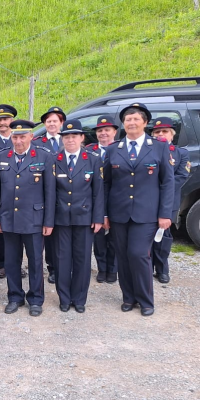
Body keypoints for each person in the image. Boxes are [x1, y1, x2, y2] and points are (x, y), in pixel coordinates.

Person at [104, 103, 174, 317]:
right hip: (119, 213)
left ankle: (145, 300)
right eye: (127, 119)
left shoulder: (159, 147)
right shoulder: (113, 149)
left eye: (136, 119)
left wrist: (165, 214)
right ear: (123, 124)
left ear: (144, 122)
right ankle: (128, 297)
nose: (131, 122)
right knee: (123, 256)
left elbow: (167, 182)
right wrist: (105, 214)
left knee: (138, 254)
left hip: (147, 213)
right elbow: (106, 183)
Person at [0, 120, 56, 317]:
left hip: (34, 219)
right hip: (9, 218)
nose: (18, 141)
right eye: (15, 137)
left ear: (31, 137)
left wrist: (48, 221)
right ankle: (15, 297)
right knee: (12, 261)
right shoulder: (2, 157)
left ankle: (36, 299)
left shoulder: (44, 157)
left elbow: (50, 192)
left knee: (36, 261)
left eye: (22, 136)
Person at [52, 120, 104, 313]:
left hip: (84, 217)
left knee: (82, 259)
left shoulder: (93, 159)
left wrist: (98, 218)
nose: (70, 139)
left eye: (74, 136)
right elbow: (50, 192)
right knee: (62, 259)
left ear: (82, 138)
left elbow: (98, 192)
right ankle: (64, 298)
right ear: (62, 138)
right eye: (66, 136)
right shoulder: (54, 159)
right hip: (61, 218)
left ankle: (79, 298)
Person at [0, 104, 27, 280]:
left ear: (12, 121)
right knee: (1, 231)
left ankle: (18, 263)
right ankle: (2, 264)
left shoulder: (20, 139)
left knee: (21, 231)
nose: (2, 123)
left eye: (6, 119)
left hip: (21, 193)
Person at [150, 117, 191, 284]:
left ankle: (162, 270)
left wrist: (161, 189)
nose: (161, 134)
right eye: (157, 132)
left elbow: (181, 176)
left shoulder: (181, 153)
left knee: (163, 237)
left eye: (164, 131)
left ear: (172, 135)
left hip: (168, 202)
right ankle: (145, 269)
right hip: (148, 201)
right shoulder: (148, 151)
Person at [35, 107, 67, 285]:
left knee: (62, 233)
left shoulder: (68, 140)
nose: (52, 124)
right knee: (48, 235)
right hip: (44, 193)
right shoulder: (38, 143)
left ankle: (63, 266)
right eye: (48, 121)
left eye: (55, 121)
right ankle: (52, 268)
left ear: (61, 123)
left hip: (64, 193)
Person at [85, 116, 119, 283]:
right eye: (100, 130)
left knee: (114, 238)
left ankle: (113, 269)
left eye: (107, 130)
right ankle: (101, 268)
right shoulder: (90, 151)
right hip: (95, 200)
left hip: (116, 200)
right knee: (98, 238)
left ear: (115, 131)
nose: (103, 133)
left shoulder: (121, 149)